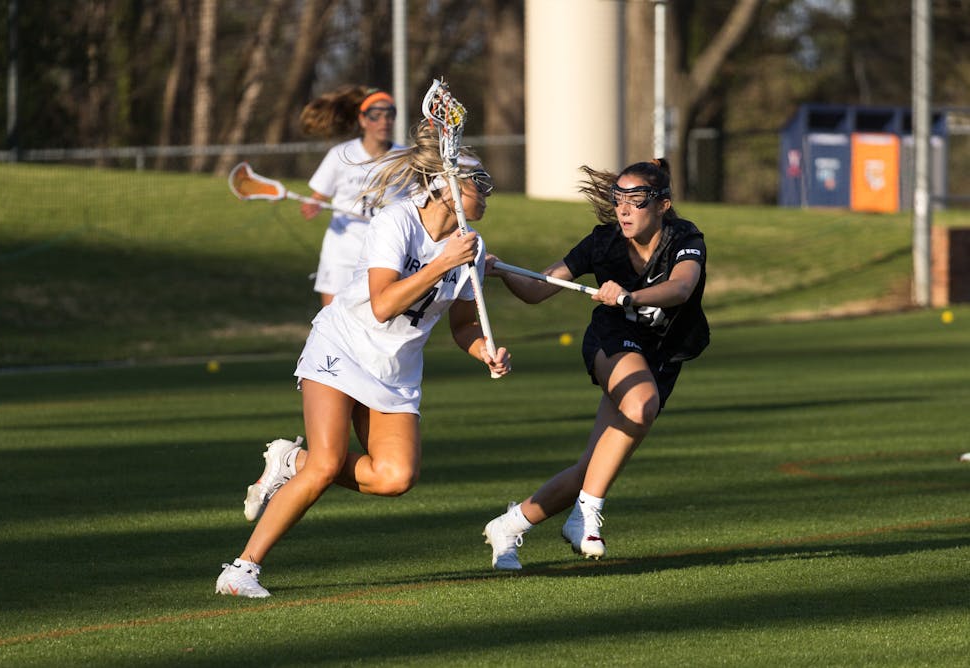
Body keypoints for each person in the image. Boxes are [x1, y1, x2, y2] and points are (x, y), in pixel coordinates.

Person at [216, 120, 511, 598]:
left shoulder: (470, 249)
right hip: (343, 347)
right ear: (446, 187)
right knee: (327, 465)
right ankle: (241, 569)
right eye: (479, 182)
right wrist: (442, 263)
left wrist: (486, 352)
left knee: (396, 477)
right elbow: (381, 304)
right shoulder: (397, 221)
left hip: (394, 372)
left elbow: (462, 326)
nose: (486, 192)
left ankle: (290, 459)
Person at [481, 159, 709, 569]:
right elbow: (537, 288)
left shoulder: (684, 238)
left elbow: (682, 286)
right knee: (640, 404)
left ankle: (510, 524)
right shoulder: (602, 242)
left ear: (663, 205)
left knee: (592, 467)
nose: (623, 209)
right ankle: (586, 517)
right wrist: (497, 271)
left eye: (635, 201)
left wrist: (629, 297)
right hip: (611, 343)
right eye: (618, 199)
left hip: (661, 355)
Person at [299, 85, 404, 306]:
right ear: (363, 120)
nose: (384, 121)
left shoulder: (405, 158)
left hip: (385, 254)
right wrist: (313, 204)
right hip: (342, 252)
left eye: (389, 115)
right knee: (330, 321)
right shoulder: (341, 154)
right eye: (375, 116)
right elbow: (318, 196)